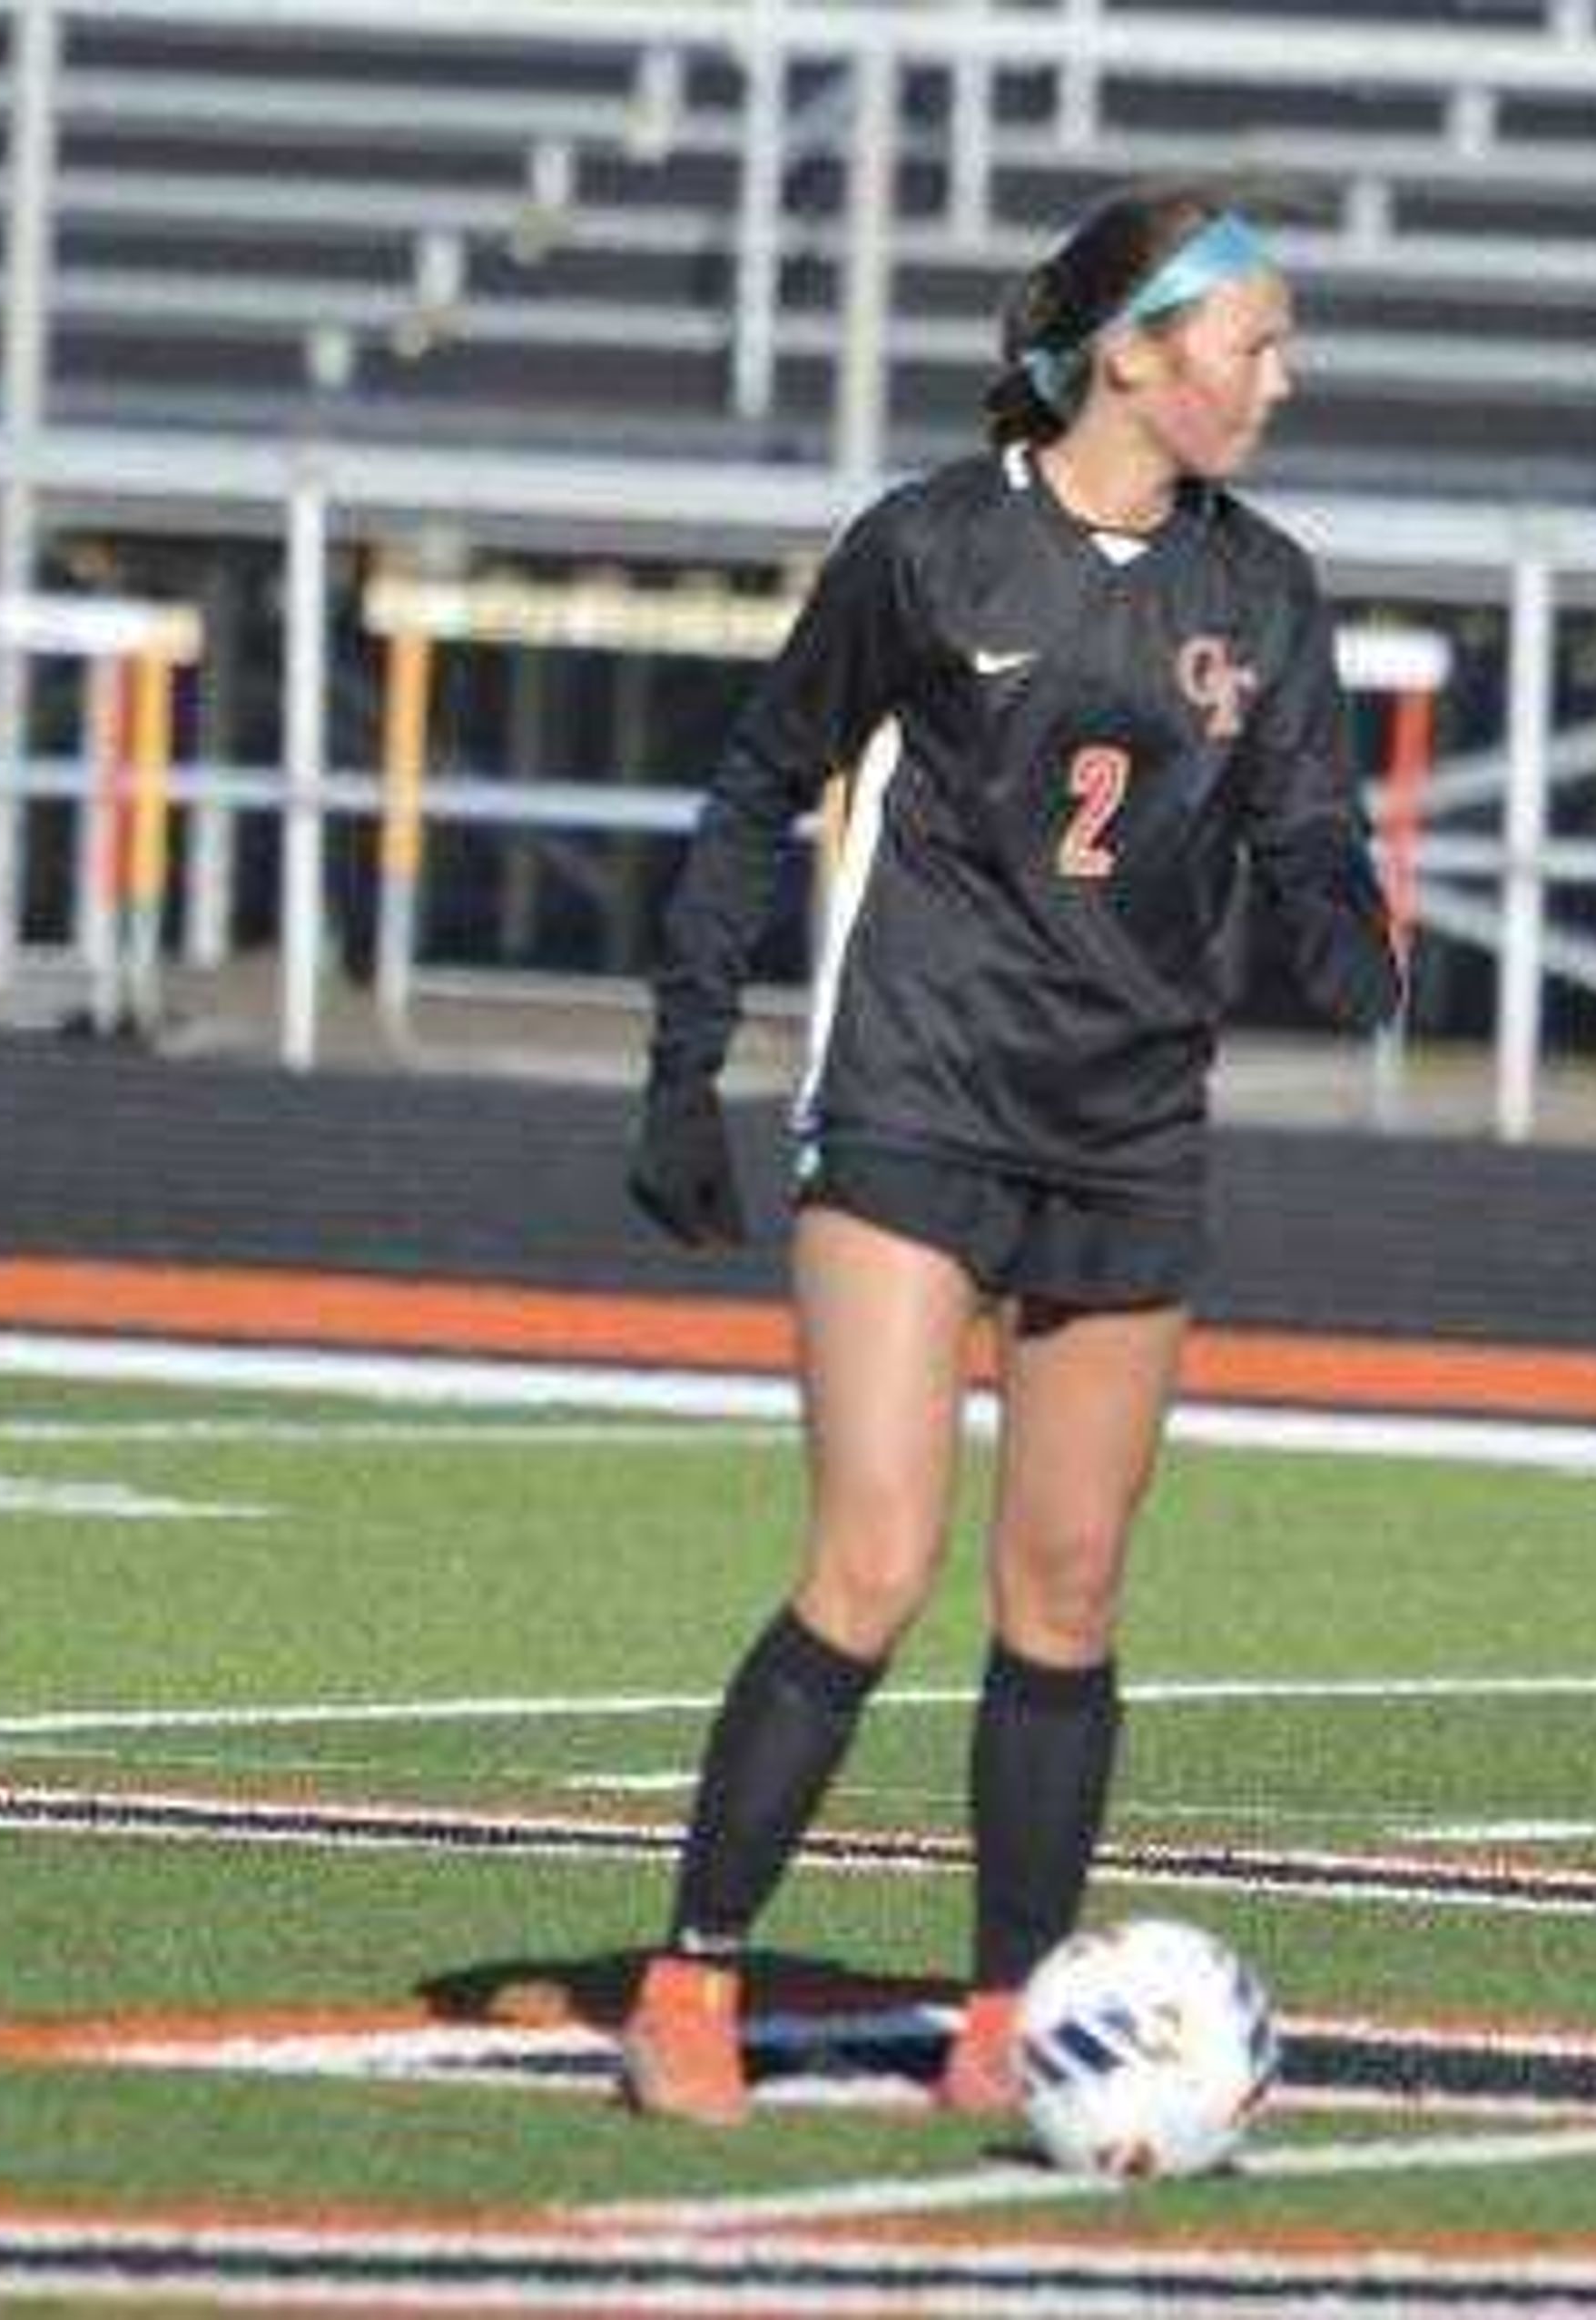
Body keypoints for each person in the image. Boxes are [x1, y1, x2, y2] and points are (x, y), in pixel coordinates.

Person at [614, 183, 1403, 2124]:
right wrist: (681, 1067)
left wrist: (1347, 927)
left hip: (1127, 1128)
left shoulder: (1266, 589)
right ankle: (690, 1977)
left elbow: (1305, 825)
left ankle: (1006, 2014)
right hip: (917, 1097)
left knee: (1064, 1593)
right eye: (1255, 345)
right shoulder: (931, 550)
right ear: (1135, 356)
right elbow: (756, 783)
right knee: (875, 1562)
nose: (1281, 380)